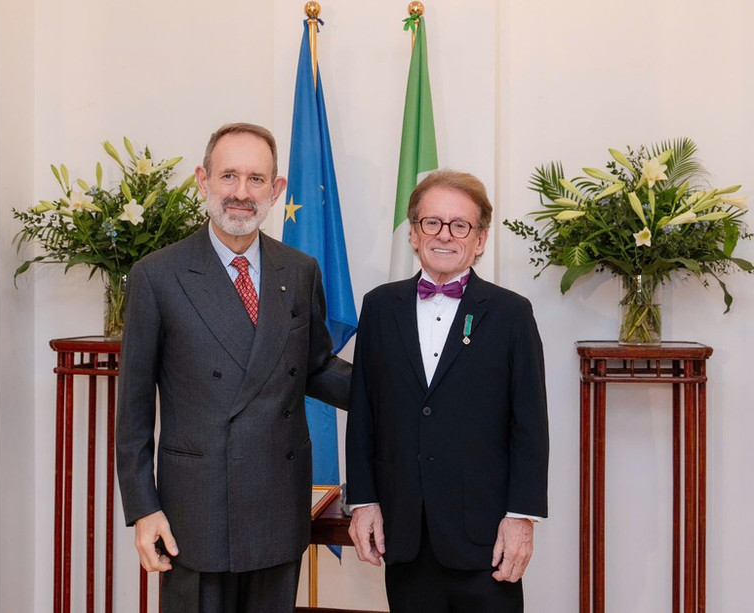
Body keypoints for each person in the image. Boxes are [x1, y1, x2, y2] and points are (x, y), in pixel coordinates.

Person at [116, 122, 351, 613]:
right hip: (192, 514)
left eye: (256, 179)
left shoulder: (300, 269)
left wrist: (402, 385)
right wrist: (143, 509)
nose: (241, 193)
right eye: (228, 176)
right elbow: (133, 410)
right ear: (203, 180)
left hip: (279, 506)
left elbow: (316, 368)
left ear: (277, 189)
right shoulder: (157, 275)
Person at [345, 169, 549, 612]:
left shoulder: (512, 314)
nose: (445, 235)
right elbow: (365, 413)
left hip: (486, 538)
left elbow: (530, 425)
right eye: (432, 222)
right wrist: (363, 502)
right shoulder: (379, 307)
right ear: (414, 233)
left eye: (461, 225)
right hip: (405, 533)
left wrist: (521, 519)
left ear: (480, 239)